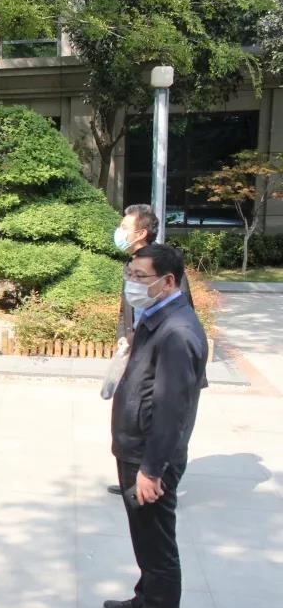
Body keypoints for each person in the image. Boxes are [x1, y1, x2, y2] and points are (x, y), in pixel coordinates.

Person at [105, 243, 208, 608]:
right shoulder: (157, 317)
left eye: (140, 277)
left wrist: (152, 469)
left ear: (167, 281)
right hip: (136, 446)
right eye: (129, 275)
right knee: (144, 536)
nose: (131, 283)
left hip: (151, 456)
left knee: (157, 544)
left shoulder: (178, 332)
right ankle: (145, 599)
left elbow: (171, 411)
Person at [107, 204, 196, 496]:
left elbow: (179, 312)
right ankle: (133, 474)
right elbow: (127, 310)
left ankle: (161, 484)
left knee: (170, 421)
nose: (119, 232)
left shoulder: (163, 265)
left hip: (166, 358)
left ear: (141, 232)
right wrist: (125, 337)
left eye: (124, 227)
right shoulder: (134, 263)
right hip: (139, 351)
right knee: (137, 415)